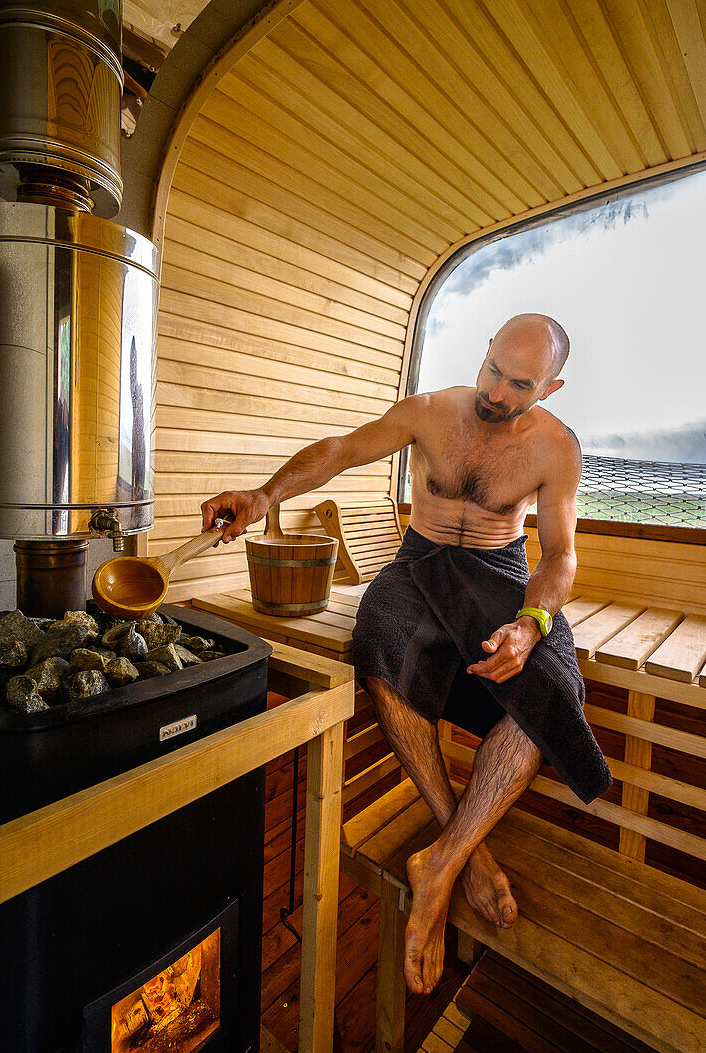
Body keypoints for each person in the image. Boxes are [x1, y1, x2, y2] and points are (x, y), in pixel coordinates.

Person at [201, 312, 611, 998]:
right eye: (492, 370)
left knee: (549, 691)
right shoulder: (430, 413)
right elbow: (342, 449)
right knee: (380, 650)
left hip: (501, 573)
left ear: (552, 386)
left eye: (520, 383)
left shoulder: (556, 449)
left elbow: (562, 555)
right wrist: (265, 494)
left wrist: (533, 624)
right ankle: (462, 850)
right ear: (482, 354)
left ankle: (440, 860)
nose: (498, 392)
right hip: (418, 564)